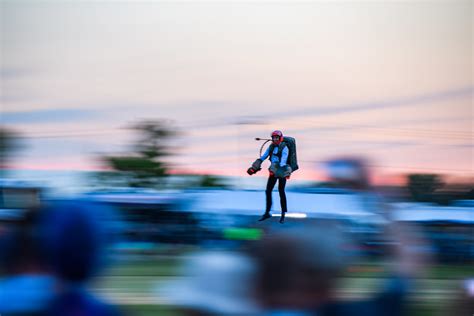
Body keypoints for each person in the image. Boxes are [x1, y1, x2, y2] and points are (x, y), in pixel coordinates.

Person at [253, 130, 291, 224]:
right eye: (273, 138)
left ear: (280, 138)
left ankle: (283, 213)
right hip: (273, 170)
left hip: (281, 170)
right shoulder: (271, 147)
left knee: (281, 191)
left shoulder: (285, 148)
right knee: (268, 190)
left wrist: (281, 170)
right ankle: (267, 212)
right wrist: (256, 164)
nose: (275, 139)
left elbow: (283, 160)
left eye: (276, 138)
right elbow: (264, 156)